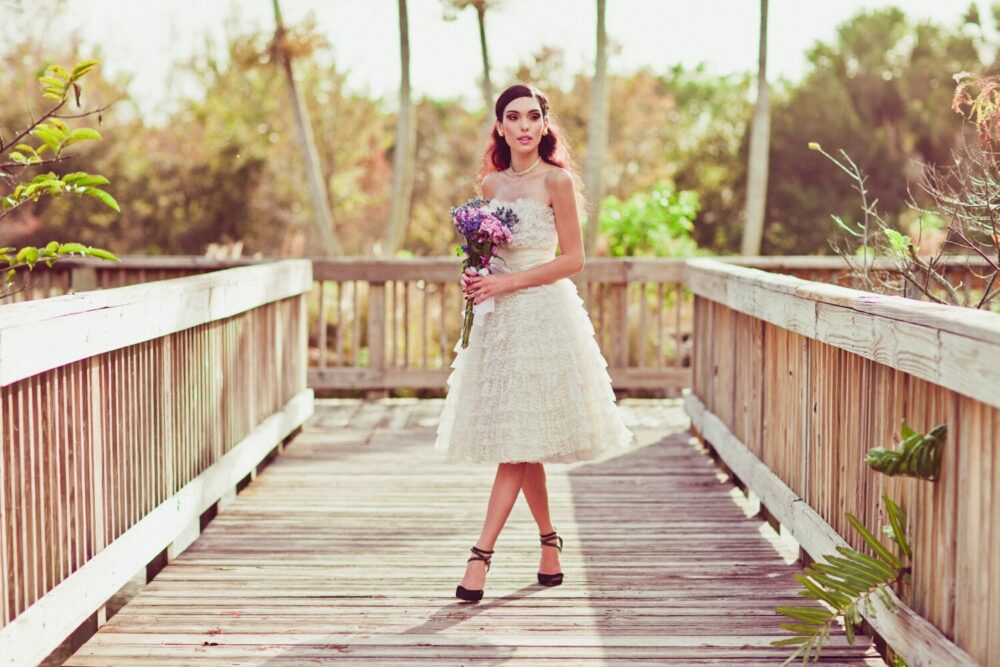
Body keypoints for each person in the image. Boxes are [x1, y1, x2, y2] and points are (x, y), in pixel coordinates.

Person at [434, 83, 635, 602]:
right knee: (521, 440)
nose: (524, 126)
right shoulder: (491, 183)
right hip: (500, 322)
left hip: (545, 315)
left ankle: (480, 556)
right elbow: (488, 253)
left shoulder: (558, 181)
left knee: (515, 445)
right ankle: (549, 543)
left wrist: (508, 281)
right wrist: (478, 276)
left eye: (533, 117)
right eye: (513, 117)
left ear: (545, 125)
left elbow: (573, 260)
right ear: (499, 126)